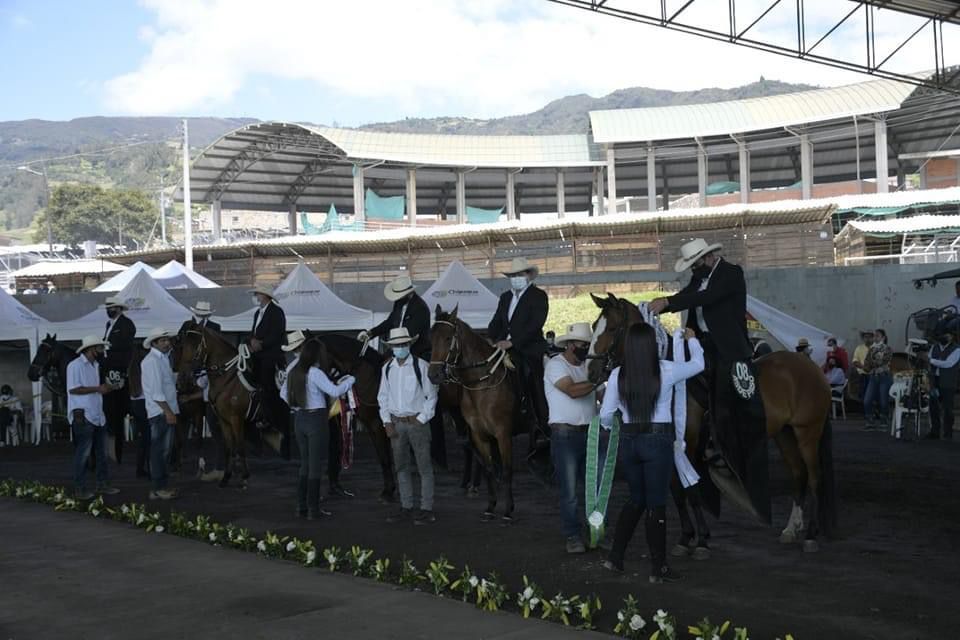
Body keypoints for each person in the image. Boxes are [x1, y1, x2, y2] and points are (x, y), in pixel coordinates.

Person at [648, 238, 768, 523]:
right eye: (693, 265)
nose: (695, 268)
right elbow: (691, 303)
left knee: (726, 387)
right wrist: (669, 314)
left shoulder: (730, 273)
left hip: (727, 347)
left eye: (697, 262)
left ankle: (726, 435)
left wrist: (668, 302)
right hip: (702, 343)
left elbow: (705, 299)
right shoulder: (698, 278)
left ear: (710, 257)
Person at [600, 324, 704, 583]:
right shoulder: (666, 370)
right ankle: (659, 568)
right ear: (652, 345)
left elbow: (604, 414)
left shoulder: (616, 375)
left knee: (636, 499)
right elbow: (698, 364)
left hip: (629, 440)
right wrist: (692, 341)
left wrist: (610, 425)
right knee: (656, 503)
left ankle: (615, 557)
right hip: (658, 440)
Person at [359, 274, 445, 468]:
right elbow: (390, 323)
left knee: (423, 378)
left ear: (409, 292)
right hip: (399, 348)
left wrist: (392, 352)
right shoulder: (399, 304)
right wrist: (371, 332)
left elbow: (410, 335)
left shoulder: (421, 308)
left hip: (417, 350)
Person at [281, 338, 355, 519]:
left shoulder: (293, 370)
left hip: (300, 419)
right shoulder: (315, 372)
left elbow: (283, 394)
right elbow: (335, 392)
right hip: (316, 419)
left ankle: (302, 506)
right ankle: (313, 509)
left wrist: (296, 405)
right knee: (315, 466)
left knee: (305, 465)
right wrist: (350, 380)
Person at [543, 322, 599, 554]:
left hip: (588, 432)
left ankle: (592, 532)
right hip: (565, 434)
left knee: (591, 488)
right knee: (571, 491)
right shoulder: (555, 365)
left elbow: (602, 395)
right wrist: (599, 380)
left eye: (587, 345)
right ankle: (573, 535)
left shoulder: (586, 367)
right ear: (570, 345)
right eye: (582, 344)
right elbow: (573, 391)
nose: (584, 348)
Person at [487, 257, 550, 450]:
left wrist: (512, 342)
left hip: (529, 349)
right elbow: (497, 321)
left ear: (529, 275)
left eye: (519, 274)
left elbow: (534, 325)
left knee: (534, 380)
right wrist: (493, 338)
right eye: (513, 275)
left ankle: (542, 424)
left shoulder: (539, 296)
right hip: (503, 348)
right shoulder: (505, 297)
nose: (516, 278)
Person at [378, 328, 439, 525]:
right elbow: (383, 397)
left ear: (409, 345)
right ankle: (407, 506)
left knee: (424, 466)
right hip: (396, 423)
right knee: (402, 467)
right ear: (392, 347)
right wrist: (386, 421)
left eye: (403, 344)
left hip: (416, 423)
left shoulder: (421, 366)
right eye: (397, 345)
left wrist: (421, 419)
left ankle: (426, 508)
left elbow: (432, 396)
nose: (400, 348)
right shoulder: (387, 369)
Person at [67, 336, 120, 499]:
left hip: (96, 414)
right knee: (83, 453)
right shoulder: (75, 365)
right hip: (83, 414)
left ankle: (101, 485)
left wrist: (106, 388)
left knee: (101, 453)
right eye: (100, 348)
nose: (103, 351)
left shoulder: (95, 365)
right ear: (91, 349)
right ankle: (80, 488)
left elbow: (93, 390)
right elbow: (73, 389)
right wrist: (99, 388)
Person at [248, 285, 290, 458]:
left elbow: (277, 334)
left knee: (272, 394)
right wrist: (251, 341)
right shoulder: (258, 313)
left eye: (257, 293)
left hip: (271, 358)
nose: (256, 296)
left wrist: (261, 344)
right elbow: (254, 332)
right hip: (258, 359)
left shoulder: (276, 312)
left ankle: (280, 435)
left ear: (264, 295)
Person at [141, 328, 179, 500]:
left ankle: (159, 487)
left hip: (163, 410)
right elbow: (157, 392)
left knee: (163, 451)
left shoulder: (162, 360)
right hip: (160, 412)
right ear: (154, 343)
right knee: (160, 451)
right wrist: (168, 412)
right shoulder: (152, 361)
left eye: (167, 339)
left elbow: (167, 384)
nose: (167, 342)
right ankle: (158, 487)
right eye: (162, 340)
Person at [101, 294, 136, 465]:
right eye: (108, 308)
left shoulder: (127, 324)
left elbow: (126, 347)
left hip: (119, 368)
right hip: (108, 366)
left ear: (119, 308)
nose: (109, 310)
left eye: (112, 307)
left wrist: (109, 347)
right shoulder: (109, 324)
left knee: (117, 407)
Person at [927, 331, 958, 440]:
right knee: (933, 407)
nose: (946, 337)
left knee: (948, 409)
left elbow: (948, 364)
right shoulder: (934, 347)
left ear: (952, 337)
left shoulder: (957, 349)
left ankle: (948, 433)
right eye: (945, 334)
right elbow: (928, 360)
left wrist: (930, 360)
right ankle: (934, 432)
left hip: (948, 382)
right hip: (934, 380)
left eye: (949, 335)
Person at [862, 328, 893, 431]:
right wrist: (872, 363)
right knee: (867, 400)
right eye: (874, 336)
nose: (874, 338)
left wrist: (871, 363)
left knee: (883, 401)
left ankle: (883, 421)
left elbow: (881, 361)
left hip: (884, 376)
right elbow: (867, 364)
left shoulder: (887, 349)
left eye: (877, 336)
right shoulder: (872, 349)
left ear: (883, 337)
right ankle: (870, 421)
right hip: (874, 376)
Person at [851, 330, 874, 406]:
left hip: (875, 375)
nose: (867, 339)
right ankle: (865, 412)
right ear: (863, 338)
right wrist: (863, 367)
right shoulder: (859, 348)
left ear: (872, 338)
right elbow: (855, 361)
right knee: (863, 393)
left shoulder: (876, 348)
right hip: (863, 375)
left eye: (869, 337)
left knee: (874, 394)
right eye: (865, 337)